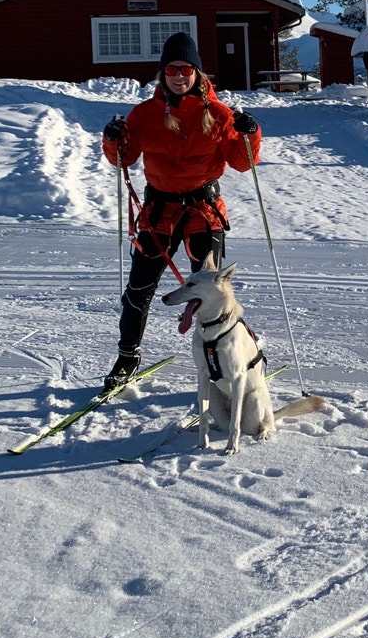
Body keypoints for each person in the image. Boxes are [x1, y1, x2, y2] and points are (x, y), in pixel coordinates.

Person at [100, 31, 261, 391]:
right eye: (171, 68)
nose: (179, 74)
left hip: (203, 212)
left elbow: (241, 162)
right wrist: (113, 139)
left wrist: (249, 134)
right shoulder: (143, 114)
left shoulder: (219, 115)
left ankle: (222, 363)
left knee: (212, 293)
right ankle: (127, 358)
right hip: (160, 212)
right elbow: (124, 159)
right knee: (139, 289)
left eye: (186, 68)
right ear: (162, 73)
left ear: (197, 73)